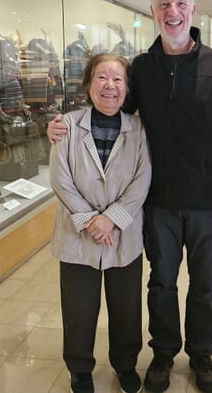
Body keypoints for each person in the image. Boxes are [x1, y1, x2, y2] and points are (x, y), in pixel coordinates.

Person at [49, 0, 212, 393]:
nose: (172, 12)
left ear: (192, 10)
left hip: (207, 202)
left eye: (179, 3)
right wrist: (63, 125)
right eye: (164, 5)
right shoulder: (141, 68)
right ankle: (162, 354)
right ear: (153, 12)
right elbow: (114, 109)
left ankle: (201, 354)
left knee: (205, 284)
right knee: (161, 283)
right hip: (156, 204)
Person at [49, 54, 151, 393]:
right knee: (79, 307)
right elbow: (60, 180)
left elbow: (142, 179)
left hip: (123, 234)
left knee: (126, 305)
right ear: (89, 85)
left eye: (118, 79)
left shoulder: (138, 129)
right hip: (78, 235)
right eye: (102, 78)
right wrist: (92, 221)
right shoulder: (67, 125)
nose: (110, 86)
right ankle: (79, 368)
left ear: (127, 87)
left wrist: (112, 220)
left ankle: (124, 364)